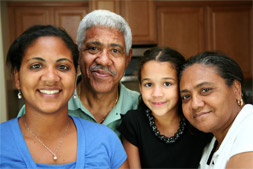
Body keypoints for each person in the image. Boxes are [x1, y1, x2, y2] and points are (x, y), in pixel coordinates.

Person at [1, 25, 128, 168]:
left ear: (75, 75)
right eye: (36, 66)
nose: (51, 78)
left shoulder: (106, 140)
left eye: (63, 67)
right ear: (17, 77)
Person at [18, 9, 139, 137]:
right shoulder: (42, 105)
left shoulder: (143, 106)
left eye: (115, 50)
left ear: (127, 59)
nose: (104, 61)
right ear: (78, 54)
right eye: (93, 48)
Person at [118, 47, 212, 168]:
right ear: (140, 88)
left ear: (181, 85)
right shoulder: (134, 123)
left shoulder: (197, 120)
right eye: (149, 84)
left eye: (167, 83)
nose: (156, 94)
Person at [179, 51, 253, 169]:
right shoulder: (212, 143)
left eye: (205, 90)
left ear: (236, 89)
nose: (194, 104)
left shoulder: (250, 127)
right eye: (186, 96)